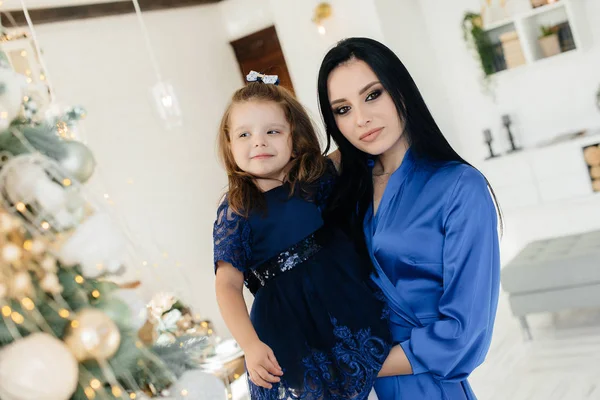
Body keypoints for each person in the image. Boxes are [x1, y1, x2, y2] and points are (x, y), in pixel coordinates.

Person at [317, 37, 502, 399]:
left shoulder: (460, 187)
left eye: (372, 95)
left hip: (427, 386)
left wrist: (356, 364)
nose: (361, 119)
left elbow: (465, 335)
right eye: (342, 109)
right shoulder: (346, 194)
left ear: (400, 89)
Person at [213, 72, 393, 399]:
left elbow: (353, 152)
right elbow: (227, 285)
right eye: (244, 134)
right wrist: (250, 345)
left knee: (370, 366)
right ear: (229, 143)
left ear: (293, 138)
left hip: (340, 301)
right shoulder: (238, 208)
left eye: (273, 131)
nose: (259, 141)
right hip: (286, 324)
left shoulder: (313, 178)